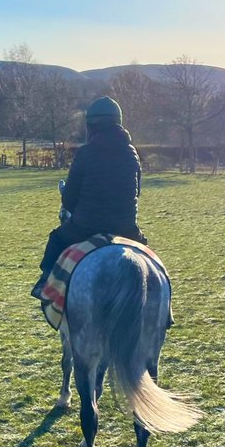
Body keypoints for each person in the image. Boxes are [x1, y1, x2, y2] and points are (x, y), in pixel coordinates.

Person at [32, 95, 147, 297]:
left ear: (91, 126)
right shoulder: (132, 153)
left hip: (86, 226)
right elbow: (137, 192)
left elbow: (69, 199)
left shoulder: (85, 153)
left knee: (56, 239)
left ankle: (45, 285)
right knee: (147, 260)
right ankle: (164, 310)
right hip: (125, 227)